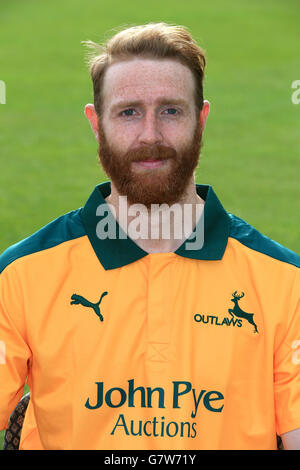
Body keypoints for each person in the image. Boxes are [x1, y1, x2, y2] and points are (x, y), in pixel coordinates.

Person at [0, 22, 299, 450]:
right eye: (129, 112)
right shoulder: (20, 275)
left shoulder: (285, 283)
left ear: (201, 120)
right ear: (96, 124)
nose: (150, 136)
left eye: (171, 111)